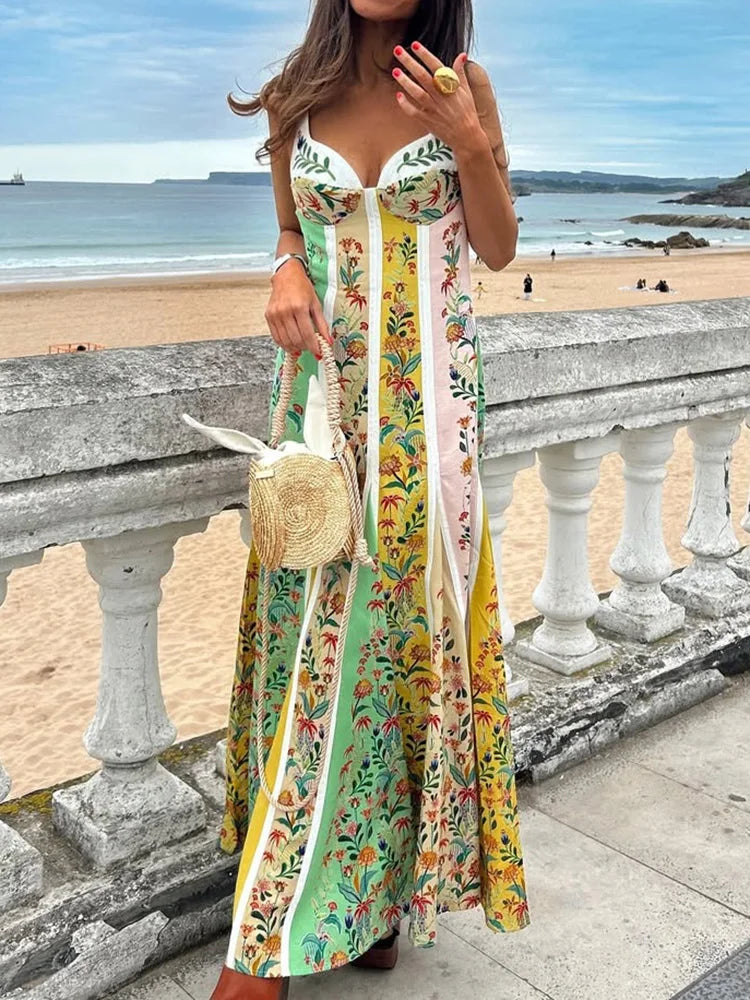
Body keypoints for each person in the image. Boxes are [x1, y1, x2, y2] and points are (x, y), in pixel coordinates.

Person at [213, 2, 530, 997]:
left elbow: (498, 246)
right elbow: (287, 227)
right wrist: (285, 266)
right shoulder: (294, 97)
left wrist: (468, 140)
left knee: (392, 651)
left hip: (431, 428)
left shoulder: (462, 87)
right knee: (315, 650)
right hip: (319, 414)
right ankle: (342, 912)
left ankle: (302, 935)